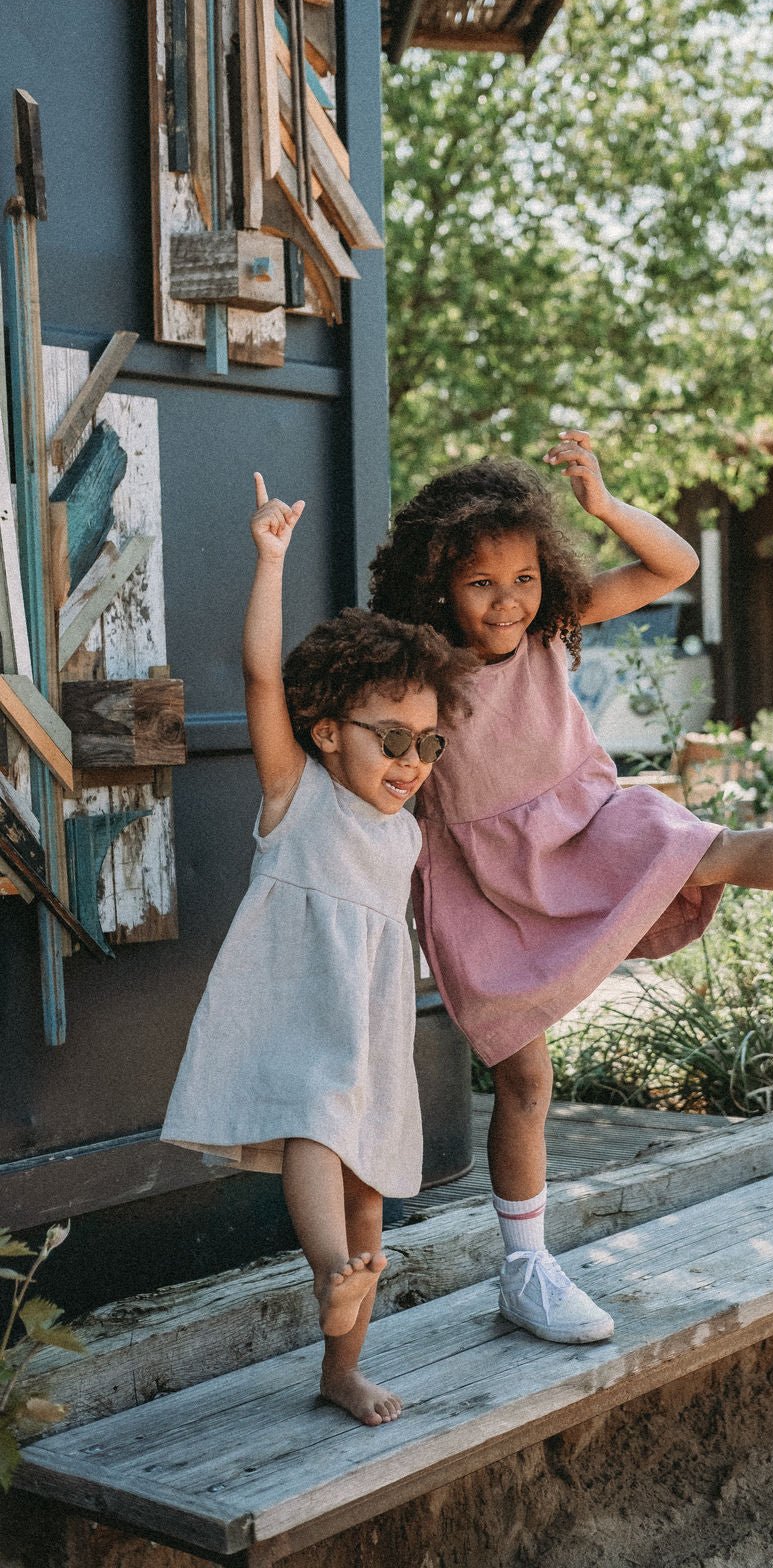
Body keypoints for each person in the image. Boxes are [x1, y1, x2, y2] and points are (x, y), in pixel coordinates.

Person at [369, 432, 773, 1347]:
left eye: (524, 578)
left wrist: (603, 502)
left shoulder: (555, 624)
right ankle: (525, 1267)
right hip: (479, 880)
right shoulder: (415, 670)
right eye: (482, 583)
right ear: (437, 583)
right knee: (524, 1079)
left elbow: (671, 562)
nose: (508, 601)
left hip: (587, 821)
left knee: (701, 846)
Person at [163, 474, 474, 1424]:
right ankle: (329, 1268)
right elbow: (262, 674)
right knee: (316, 1124)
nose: (411, 762)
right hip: (297, 998)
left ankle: (342, 1365)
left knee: (369, 1191)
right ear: (329, 729)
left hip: (368, 1012)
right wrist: (270, 558)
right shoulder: (297, 797)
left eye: (427, 743)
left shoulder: (404, 830)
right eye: (391, 739)